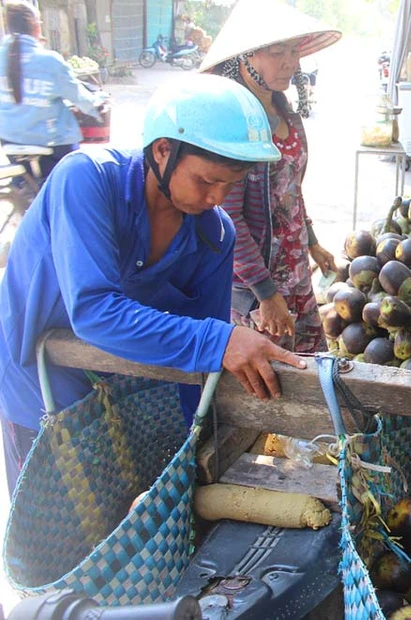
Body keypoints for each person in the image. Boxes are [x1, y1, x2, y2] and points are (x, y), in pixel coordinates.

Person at [0, 74, 307, 495]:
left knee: (123, 523)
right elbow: (94, 311)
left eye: (230, 185)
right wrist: (221, 341)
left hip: (124, 395)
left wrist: (180, 455)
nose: (217, 198)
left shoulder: (213, 236)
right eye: (206, 181)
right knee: (58, 534)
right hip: (40, 389)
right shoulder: (86, 180)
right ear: (163, 150)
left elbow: (195, 370)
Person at [200, 0, 341, 353]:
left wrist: (311, 241)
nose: (291, 62)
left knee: (310, 371)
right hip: (255, 284)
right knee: (271, 383)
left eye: (293, 51)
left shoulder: (286, 113)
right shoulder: (232, 123)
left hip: (294, 271)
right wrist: (265, 293)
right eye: (277, 51)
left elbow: (291, 190)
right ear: (244, 58)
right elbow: (227, 218)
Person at [0, 1, 103, 178]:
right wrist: (96, 106)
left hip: (9, 140)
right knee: (77, 176)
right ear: (36, 27)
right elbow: (78, 96)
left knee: (23, 183)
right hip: (51, 142)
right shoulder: (49, 61)